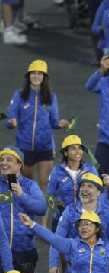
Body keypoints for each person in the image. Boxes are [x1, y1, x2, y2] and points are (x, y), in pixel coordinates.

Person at [5, 59, 69, 191]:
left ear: (44, 77)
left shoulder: (51, 97)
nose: (36, 76)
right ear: (28, 76)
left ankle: (41, 205)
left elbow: (54, 122)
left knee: (44, 183)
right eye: (33, 73)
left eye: (40, 73)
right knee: (27, 183)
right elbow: (10, 118)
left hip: (45, 146)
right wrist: (11, 122)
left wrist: (61, 124)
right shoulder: (19, 95)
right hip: (24, 147)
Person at [0, 146, 47, 273]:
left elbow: (42, 208)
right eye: (2, 159)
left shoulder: (30, 185)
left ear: (19, 164)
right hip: (1, 251)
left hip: (24, 251)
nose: (3, 163)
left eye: (9, 159)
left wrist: (22, 195)